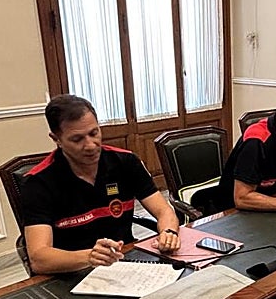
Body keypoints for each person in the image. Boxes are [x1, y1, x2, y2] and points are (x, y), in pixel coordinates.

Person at [19, 95, 181, 274]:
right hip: (72, 272)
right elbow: (39, 258)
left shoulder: (126, 162)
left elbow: (163, 211)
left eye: (94, 133)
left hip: (125, 264)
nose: (90, 145)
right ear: (56, 139)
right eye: (77, 139)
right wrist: (89, 256)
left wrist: (169, 233)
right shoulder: (38, 182)